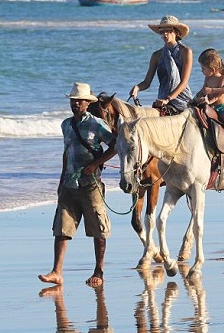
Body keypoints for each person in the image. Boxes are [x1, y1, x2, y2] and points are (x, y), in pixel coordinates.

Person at [38, 82, 116, 287]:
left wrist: (96, 164)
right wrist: (61, 180)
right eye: (73, 101)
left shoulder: (97, 124)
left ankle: (99, 270)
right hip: (69, 184)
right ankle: (57, 272)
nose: (76, 104)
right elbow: (66, 153)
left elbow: (116, 146)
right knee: (61, 229)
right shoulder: (66, 124)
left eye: (79, 101)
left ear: (87, 103)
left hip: (91, 185)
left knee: (98, 229)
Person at [129, 15, 193, 115]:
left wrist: (168, 99)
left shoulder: (185, 52)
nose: (165, 34)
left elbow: (184, 83)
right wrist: (137, 88)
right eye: (162, 31)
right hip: (162, 99)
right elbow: (147, 82)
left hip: (181, 99)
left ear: (176, 33)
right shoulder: (156, 55)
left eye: (169, 31)